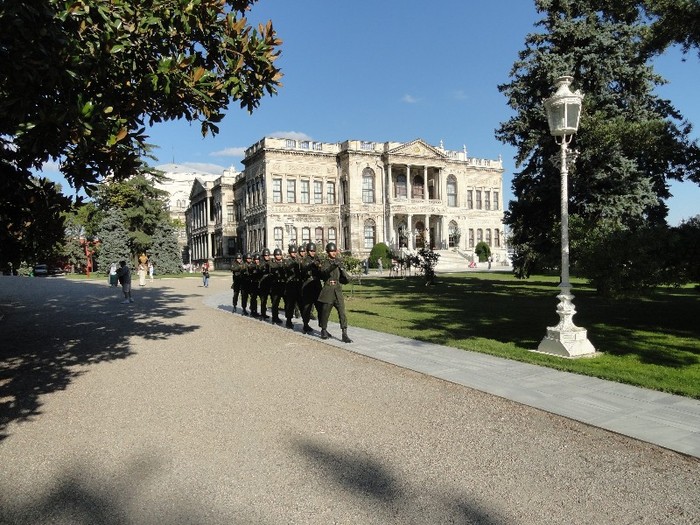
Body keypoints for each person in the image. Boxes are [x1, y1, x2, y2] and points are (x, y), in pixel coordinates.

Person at [318, 242, 352, 343]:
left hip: (337, 290)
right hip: (328, 289)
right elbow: (324, 272)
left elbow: (342, 277)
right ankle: (323, 330)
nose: (333, 253)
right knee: (325, 312)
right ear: (328, 252)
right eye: (331, 251)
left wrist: (347, 278)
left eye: (334, 251)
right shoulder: (325, 263)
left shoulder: (339, 262)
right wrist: (334, 264)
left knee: (342, 312)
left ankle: (344, 333)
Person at [300, 242, 322, 334]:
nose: (312, 252)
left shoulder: (318, 259)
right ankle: (305, 325)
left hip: (316, 284)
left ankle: (323, 327)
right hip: (308, 284)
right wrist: (312, 263)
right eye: (311, 251)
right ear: (308, 251)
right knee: (307, 307)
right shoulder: (304, 260)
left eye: (314, 251)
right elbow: (304, 268)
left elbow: (321, 269)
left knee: (320, 307)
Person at [283, 245, 303, 329]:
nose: (294, 254)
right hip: (291, 285)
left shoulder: (299, 261)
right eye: (292, 252)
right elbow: (287, 268)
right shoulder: (287, 261)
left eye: (295, 252)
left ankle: (305, 323)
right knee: (290, 304)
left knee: (301, 303)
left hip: (298, 284)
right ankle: (288, 321)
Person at [268, 248, 286, 324]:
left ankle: (288, 319)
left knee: (287, 302)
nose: (278, 256)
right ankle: (275, 318)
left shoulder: (284, 262)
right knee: (275, 303)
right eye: (277, 255)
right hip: (275, 285)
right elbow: (272, 269)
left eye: (279, 255)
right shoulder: (271, 263)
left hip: (283, 285)